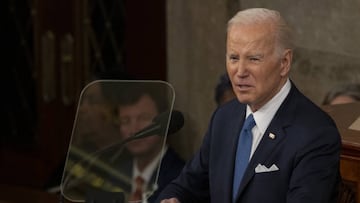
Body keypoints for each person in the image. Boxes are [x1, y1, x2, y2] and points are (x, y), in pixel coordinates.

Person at [157, 8, 341, 203]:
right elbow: (187, 185)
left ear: (284, 62)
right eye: (234, 58)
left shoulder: (316, 134)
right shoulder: (224, 117)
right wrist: (172, 199)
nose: (240, 71)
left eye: (253, 59)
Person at [109, 82, 185, 203]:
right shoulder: (115, 174)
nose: (133, 130)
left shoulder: (181, 176)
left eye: (143, 118)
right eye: (125, 121)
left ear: (164, 123)